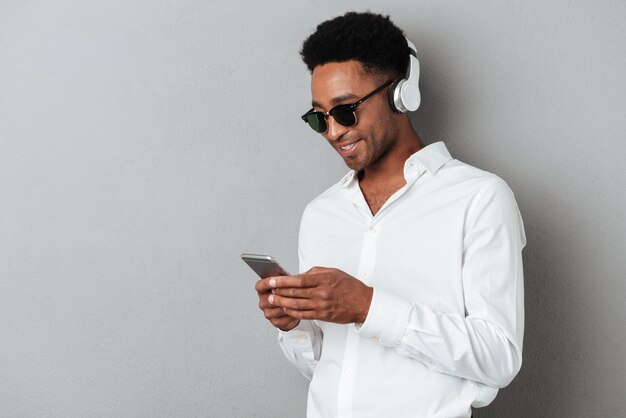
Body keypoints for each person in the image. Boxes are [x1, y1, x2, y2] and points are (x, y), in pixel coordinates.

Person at [255, 11, 526, 418]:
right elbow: (326, 366)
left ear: (402, 94)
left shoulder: (479, 198)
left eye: (346, 110)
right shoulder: (321, 214)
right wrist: (294, 325)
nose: (333, 131)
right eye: (319, 117)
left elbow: (498, 357)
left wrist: (368, 307)